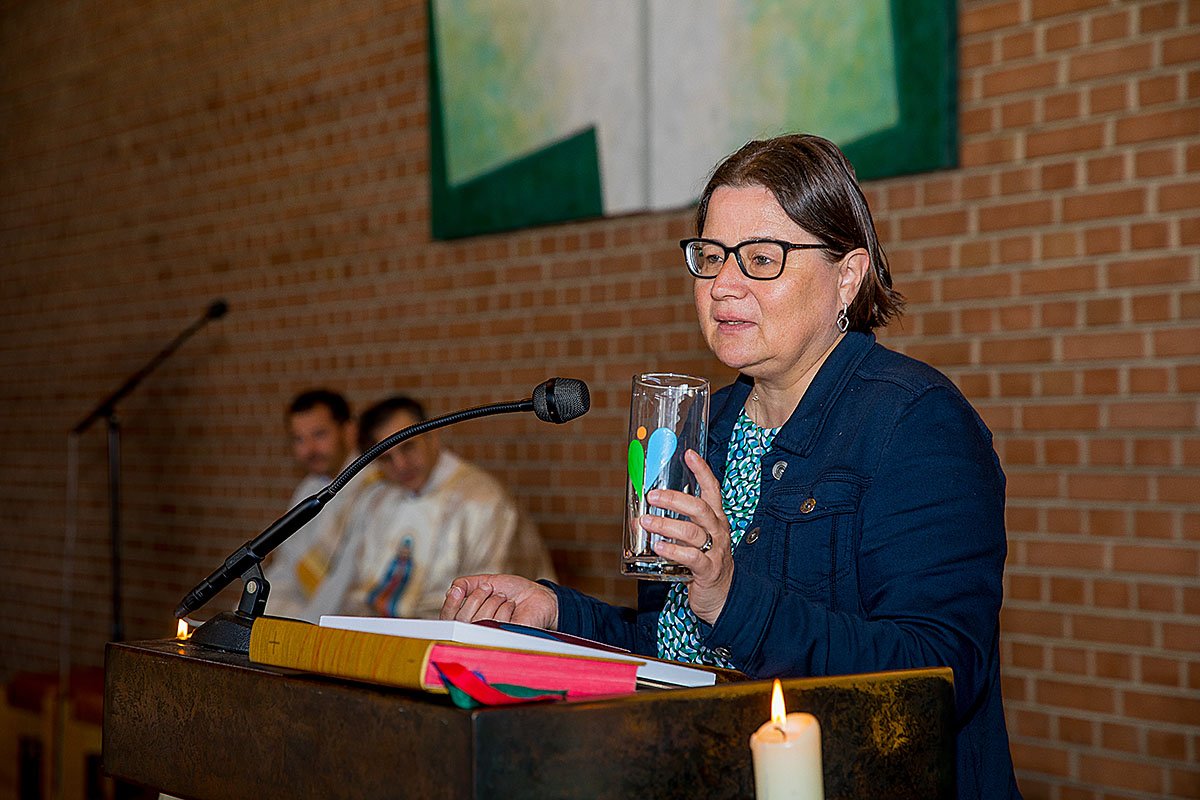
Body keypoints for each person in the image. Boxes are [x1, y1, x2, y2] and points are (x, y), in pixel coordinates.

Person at [441, 134, 1021, 798]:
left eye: (761, 259)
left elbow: (940, 674)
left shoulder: (915, 421)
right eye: (711, 257)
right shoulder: (704, 423)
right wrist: (556, 615)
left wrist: (732, 597)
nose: (722, 285)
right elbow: (672, 642)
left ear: (848, 275)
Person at [341, 395, 557, 619]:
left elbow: (488, 600)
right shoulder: (378, 500)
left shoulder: (481, 501)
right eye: (385, 458)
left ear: (432, 437)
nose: (400, 465)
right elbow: (359, 591)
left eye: (408, 447)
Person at [266, 389, 365, 622]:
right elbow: (286, 567)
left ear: (349, 430)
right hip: (303, 612)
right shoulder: (308, 488)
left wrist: (301, 627)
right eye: (299, 439)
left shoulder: (375, 488)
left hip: (344, 621)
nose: (309, 450)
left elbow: (345, 583)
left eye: (319, 435)